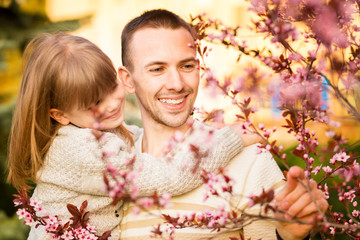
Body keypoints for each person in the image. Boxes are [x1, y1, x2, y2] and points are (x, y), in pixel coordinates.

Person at [6, 33, 254, 239]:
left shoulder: (88, 131)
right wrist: (231, 139)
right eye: (95, 102)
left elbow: (130, 138)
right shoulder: (82, 151)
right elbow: (170, 177)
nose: (112, 104)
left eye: (112, 87)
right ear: (60, 115)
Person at [117, 9, 329, 240]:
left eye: (187, 66)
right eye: (157, 69)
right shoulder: (111, 165)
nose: (177, 84)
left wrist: (288, 235)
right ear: (128, 80)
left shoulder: (249, 159)